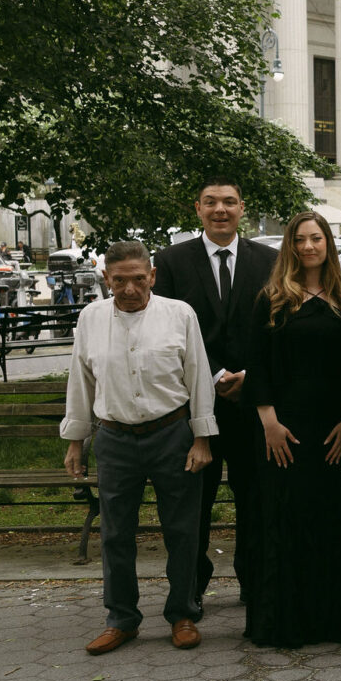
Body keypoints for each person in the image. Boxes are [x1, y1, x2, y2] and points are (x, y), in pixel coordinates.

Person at [63, 241, 216, 654]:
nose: (129, 289)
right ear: (105, 280)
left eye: (137, 279)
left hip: (172, 434)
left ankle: (183, 614)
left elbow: (198, 377)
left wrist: (202, 438)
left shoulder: (179, 314)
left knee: (182, 530)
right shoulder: (91, 318)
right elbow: (81, 381)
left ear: (152, 276)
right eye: (118, 281)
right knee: (115, 533)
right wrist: (75, 441)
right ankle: (122, 619)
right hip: (114, 438)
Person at [152, 177, 277, 612]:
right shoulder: (171, 262)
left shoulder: (271, 260)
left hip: (252, 402)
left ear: (243, 208)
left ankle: (255, 581)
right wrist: (216, 373)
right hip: (192, 406)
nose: (220, 209)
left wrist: (250, 375)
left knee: (255, 499)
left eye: (229, 202)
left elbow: (277, 331)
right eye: (211, 202)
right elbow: (163, 331)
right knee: (193, 505)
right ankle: (191, 586)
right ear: (198, 209)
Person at [242, 211, 341, 648]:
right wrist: (268, 421)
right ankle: (283, 622)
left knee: (327, 517)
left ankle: (331, 620)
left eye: (316, 238)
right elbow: (258, 364)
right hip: (283, 426)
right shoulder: (271, 299)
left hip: (329, 426)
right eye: (300, 240)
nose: (309, 246)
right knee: (283, 517)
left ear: (328, 243)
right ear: (289, 247)